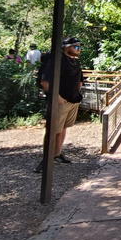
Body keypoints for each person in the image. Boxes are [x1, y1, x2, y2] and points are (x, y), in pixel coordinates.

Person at [34, 36, 84, 173]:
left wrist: (76, 94)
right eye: (76, 47)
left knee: (62, 128)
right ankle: (46, 160)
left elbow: (80, 79)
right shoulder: (57, 62)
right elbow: (45, 82)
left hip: (73, 101)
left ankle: (57, 154)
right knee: (52, 130)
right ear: (67, 48)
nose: (79, 49)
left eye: (80, 47)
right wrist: (58, 98)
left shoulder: (75, 62)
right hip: (61, 102)